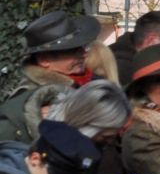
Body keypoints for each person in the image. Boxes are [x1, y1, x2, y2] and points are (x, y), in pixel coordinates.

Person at [0, 11, 99, 145]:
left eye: (82, 47)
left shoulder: (92, 82)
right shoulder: (30, 99)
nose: (83, 54)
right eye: (72, 50)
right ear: (44, 60)